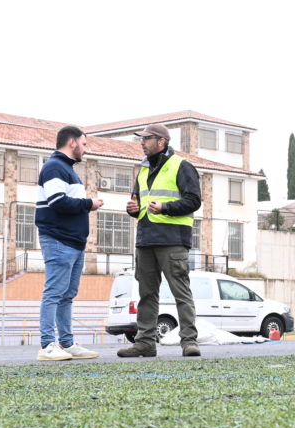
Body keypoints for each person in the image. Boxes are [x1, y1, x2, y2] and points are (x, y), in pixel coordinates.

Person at [118, 124, 203, 358]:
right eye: (141, 139)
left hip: (173, 240)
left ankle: (189, 341)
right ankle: (145, 341)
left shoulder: (181, 166)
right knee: (146, 294)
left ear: (161, 142)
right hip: (145, 240)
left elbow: (194, 200)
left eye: (146, 139)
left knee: (181, 292)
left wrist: (166, 207)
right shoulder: (143, 171)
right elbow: (138, 203)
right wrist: (133, 210)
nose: (142, 143)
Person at [35, 125, 103, 361]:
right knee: (54, 292)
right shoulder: (55, 167)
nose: (86, 149)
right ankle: (46, 345)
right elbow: (57, 202)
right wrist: (89, 203)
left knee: (67, 295)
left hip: (73, 242)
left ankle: (66, 343)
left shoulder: (67, 169)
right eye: (84, 144)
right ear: (72, 142)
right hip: (58, 239)